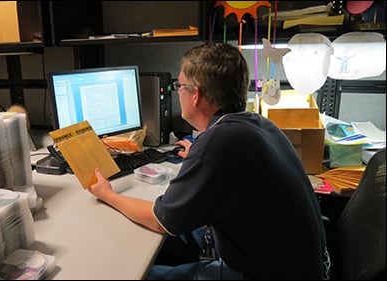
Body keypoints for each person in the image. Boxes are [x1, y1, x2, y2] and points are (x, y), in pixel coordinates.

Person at [88, 42, 329, 279]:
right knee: (173, 241)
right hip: (293, 261)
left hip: (260, 273)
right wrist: (198, 153)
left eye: (179, 86)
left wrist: (108, 195)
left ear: (196, 94)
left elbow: (162, 221)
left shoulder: (219, 144)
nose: (177, 91)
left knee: (140, 273)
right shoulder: (257, 125)